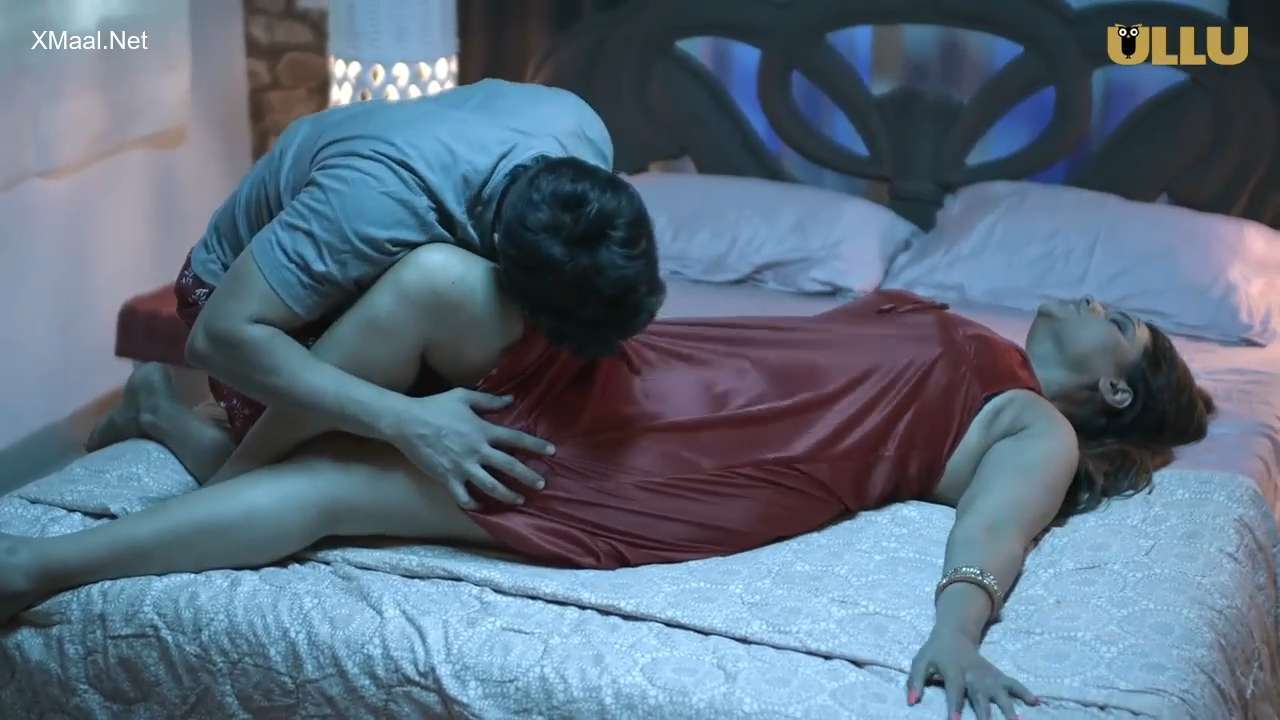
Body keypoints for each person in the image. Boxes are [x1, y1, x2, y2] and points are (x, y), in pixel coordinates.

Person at [2, 244, 1212, 719]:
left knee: (336, 489)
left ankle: (38, 564)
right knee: (431, 279)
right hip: (645, 367)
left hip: (696, 462)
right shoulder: (951, 325)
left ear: (1111, 391)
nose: (1094, 300)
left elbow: (996, 529)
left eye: (1121, 325)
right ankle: (203, 458)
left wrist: (956, 625)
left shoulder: (1030, 422)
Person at [85, 78, 666, 509]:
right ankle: (158, 411)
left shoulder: (578, 126)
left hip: (360, 248)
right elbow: (217, 337)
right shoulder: (373, 207)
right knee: (331, 475)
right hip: (242, 302)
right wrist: (406, 420)